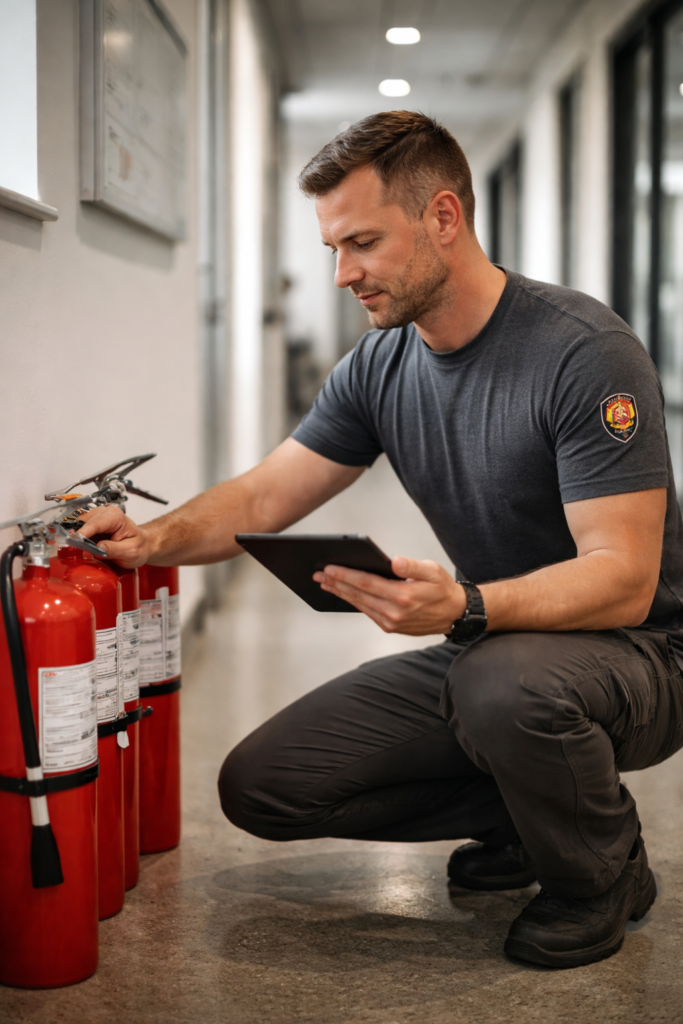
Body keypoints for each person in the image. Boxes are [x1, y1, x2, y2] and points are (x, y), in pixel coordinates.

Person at [80, 111, 683, 970]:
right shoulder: (382, 363)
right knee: (265, 787)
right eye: (333, 247)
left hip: (642, 653)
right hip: (497, 647)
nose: (340, 274)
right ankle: (529, 811)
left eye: (360, 242)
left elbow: (624, 580)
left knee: (502, 687)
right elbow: (265, 492)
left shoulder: (583, 353)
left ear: (443, 218)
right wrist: (151, 537)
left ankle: (599, 875)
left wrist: (465, 606)